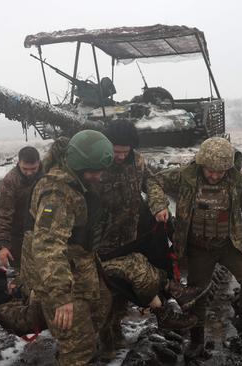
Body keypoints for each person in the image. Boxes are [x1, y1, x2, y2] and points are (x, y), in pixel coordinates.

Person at [157, 137, 242, 358]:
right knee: (196, 294)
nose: (215, 176)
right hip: (198, 247)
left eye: (221, 171)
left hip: (229, 244)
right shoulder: (184, 176)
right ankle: (197, 339)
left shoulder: (237, 181)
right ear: (201, 164)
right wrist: (159, 204)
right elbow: (153, 182)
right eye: (211, 171)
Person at [97, 120, 204, 353]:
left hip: (132, 233)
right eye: (116, 151)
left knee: (148, 268)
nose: (120, 156)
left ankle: (167, 299)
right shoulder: (97, 165)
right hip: (104, 242)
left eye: (125, 152)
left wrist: (158, 206)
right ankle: (108, 340)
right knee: (111, 291)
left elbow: (152, 182)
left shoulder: (138, 161)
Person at [26, 130, 113, 365]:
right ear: (80, 165)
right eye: (95, 171)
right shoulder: (57, 195)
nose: (99, 176)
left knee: (96, 319)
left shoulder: (78, 180)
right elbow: (47, 245)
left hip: (80, 268)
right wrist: (62, 297)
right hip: (61, 279)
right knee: (78, 347)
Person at [0, 146, 43, 269]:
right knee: (21, 271)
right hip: (18, 234)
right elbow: (3, 213)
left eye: (33, 169)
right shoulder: (11, 180)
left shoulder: (47, 175)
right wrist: (3, 244)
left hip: (43, 232)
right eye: (25, 169)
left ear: (39, 163)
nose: (29, 173)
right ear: (18, 163)